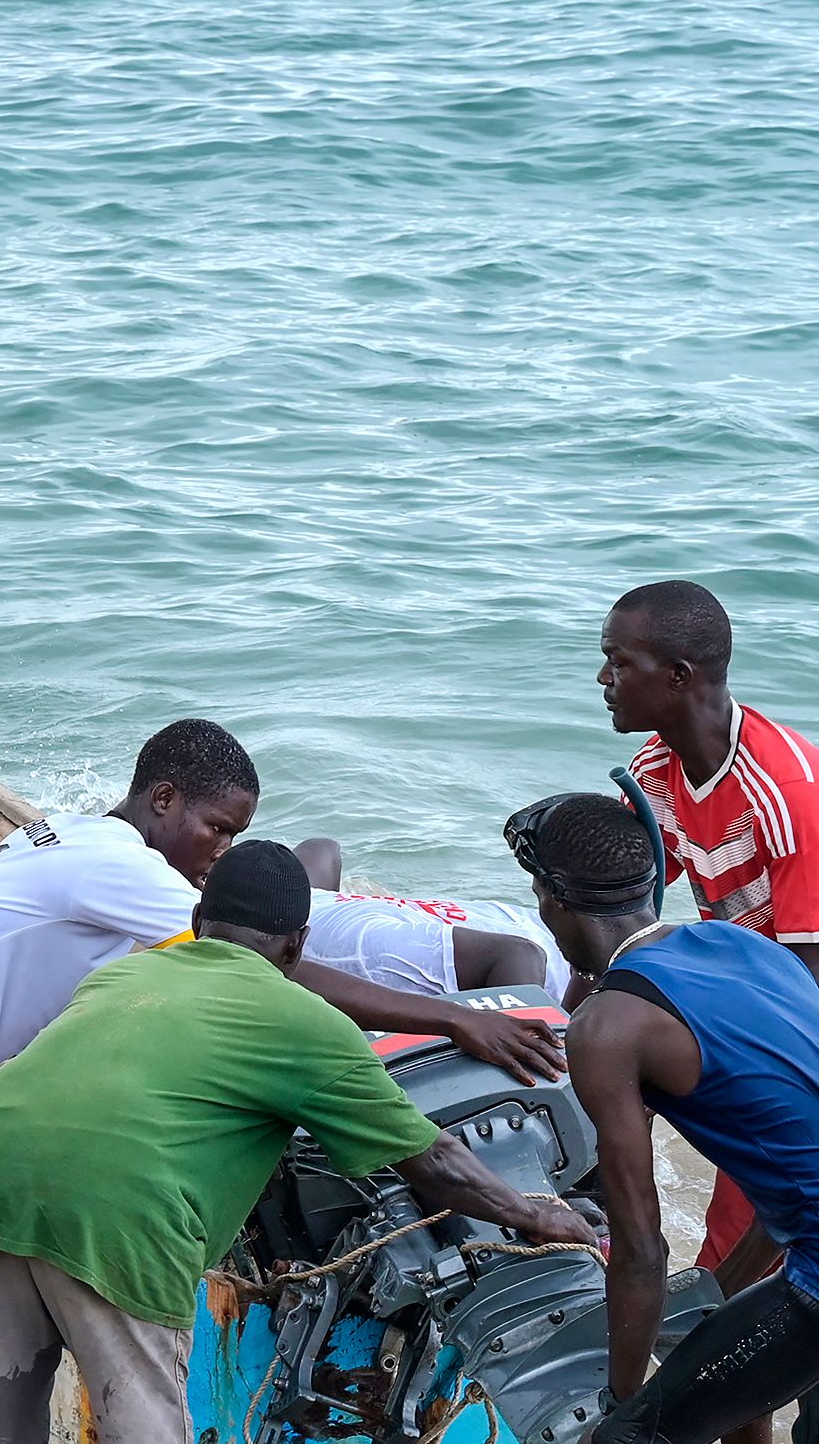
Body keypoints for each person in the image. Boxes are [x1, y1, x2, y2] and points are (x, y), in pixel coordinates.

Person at [0, 718, 560, 1444]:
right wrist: (451, 1019)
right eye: (216, 827)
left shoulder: (76, 837)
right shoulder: (129, 873)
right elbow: (280, 974)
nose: (217, 849)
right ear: (163, 800)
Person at [0, 841, 588, 1444]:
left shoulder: (123, 977)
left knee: (2, 1427)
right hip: (114, 1211)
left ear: (198, 916)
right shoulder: (309, 1023)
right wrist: (537, 1213)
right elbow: (435, 1160)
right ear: (298, 946)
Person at [513, 792, 819, 1444]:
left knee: (636, 1435)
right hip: (807, 1254)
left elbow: (641, 1253)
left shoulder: (607, 1026)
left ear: (553, 901)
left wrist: (626, 1403)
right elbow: (789, 1149)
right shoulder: (742, 945)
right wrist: (719, 1295)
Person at [599, 578, 819, 1282]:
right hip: (753, 994)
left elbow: (808, 985)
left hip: (790, 1015)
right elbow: (629, 925)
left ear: (679, 677)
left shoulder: (784, 794)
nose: (603, 679)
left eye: (618, 662)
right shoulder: (651, 774)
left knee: (744, 1262)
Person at [292, 835, 574, 1000]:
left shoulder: (360, 950)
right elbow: (321, 847)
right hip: (516, 919)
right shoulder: (301, 897)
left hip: (563, 965)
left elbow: (521, 954)